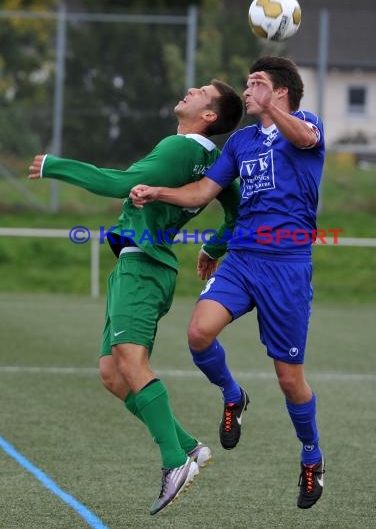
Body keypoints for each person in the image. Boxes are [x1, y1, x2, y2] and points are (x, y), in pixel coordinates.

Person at [28, 79, 243, 516]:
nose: (189, 89)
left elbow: (119, 183)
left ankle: (173, 461)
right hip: (146, 265)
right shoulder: (214, 160)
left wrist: (56, 165)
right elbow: (238, 213)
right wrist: (212, 247)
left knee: (128, 357)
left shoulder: (183, 148)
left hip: (143, 265)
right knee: (112, 372)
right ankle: (189, 448)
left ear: (209, 115)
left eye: (200, 91)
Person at [130, 56, 326, 509]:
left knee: (289, 378)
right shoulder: (240, 143)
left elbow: (303, 136)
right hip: (242, 260)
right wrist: (158, 192)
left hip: (288, 267)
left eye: (258, 83)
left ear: (281, 92)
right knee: (198, 333)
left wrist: (272, 108)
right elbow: (203, 193)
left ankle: (312, 456)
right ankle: (233, 395)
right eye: (248, 83)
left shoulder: (305, 124)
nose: (249, 89)